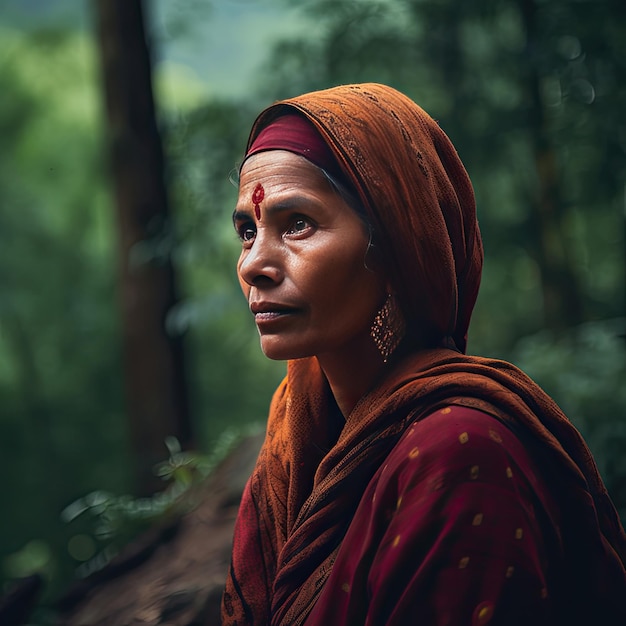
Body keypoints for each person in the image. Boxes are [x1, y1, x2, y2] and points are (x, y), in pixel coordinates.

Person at [221, 83, 626, 625]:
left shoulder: (461, 453)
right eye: (248, 231)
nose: (253, 264)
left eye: (297, 224)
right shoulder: (293, 434)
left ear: (397, 247)